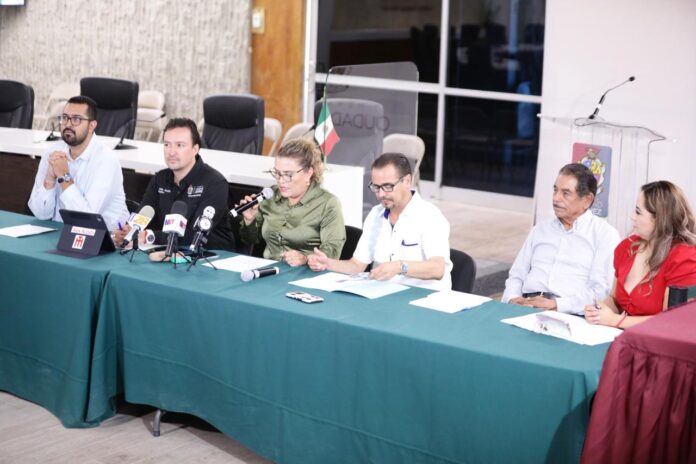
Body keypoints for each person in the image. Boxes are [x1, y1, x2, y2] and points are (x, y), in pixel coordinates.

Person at [308, 153, 452, 290]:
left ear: (407, 181)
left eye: (388, 186)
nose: (381, 194)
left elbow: (437, 269)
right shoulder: (375, 215)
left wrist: (399, 267)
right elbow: (356, 265)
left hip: (424, 299)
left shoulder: (430, 216)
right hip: (385, 294)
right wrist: (327, 263)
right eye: (376, 187)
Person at [502, 163, 620, 314]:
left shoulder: (604, 235)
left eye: (566, 193)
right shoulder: (540, 229)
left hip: (567, 313)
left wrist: (557, 305)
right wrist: (512, 299)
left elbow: (601, 291)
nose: (556, 198)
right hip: (523, 306)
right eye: (555, 190)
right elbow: (517, 275)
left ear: (587, 200)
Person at [585, 181, 696, 328]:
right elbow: (614, 299)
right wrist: (599, 311)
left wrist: (614, 320)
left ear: (660, 218)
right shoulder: (626, 247)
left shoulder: (684, 257)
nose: (632, 216)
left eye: (638, 212)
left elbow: (671, 322)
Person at [112, 118, 235, 251]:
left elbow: (195, 235)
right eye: (167, 145)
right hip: (169, 252)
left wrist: (148, 236)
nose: (171, 152)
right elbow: (143, 216)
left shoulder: (215, 183)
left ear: (195, 149)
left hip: (213, 256)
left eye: (179, 145)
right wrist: (128, 231)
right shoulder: (159, 179)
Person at [237, 138, 345, 265]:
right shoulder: (271, 195)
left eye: (288, 174)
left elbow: (332, 252)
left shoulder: (328, 203)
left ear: (308, 173)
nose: (280, 180)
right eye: (277, 173)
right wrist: (249, 221)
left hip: (306, 273)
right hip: (269, 269)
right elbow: (250, 240)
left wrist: (306, 259)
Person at [28, 96, 128, 230]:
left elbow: (86, 220)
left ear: (92, 126)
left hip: (105, 238)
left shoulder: (106, 160)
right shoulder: (52, 153)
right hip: (62, 233)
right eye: (65, 118)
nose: (68, 124)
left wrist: (64, 176)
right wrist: (50, 179)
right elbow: (41, 214)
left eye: (76, 119)